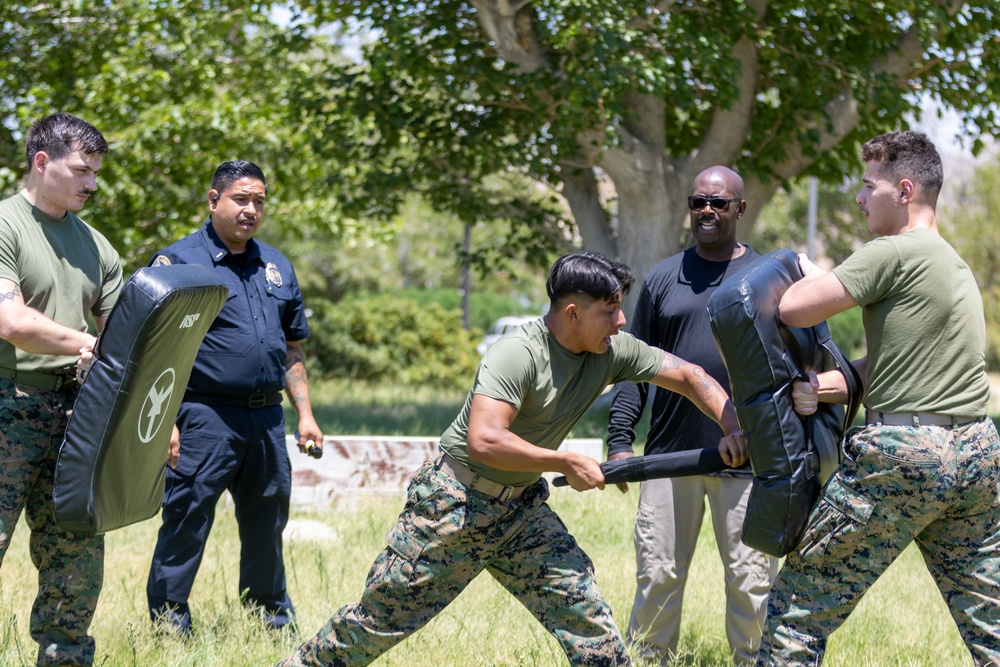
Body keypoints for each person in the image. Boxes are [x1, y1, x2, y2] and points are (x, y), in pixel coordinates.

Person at [277, 250, 749, 667]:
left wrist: (732, 426)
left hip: (520, 510)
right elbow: (484, 439)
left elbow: (688, 375)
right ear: (572, 312)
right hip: (454, 505)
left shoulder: (610, 349)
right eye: (609, 312)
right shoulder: (516, 354)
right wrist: (563, 461)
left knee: (588, 620)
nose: (622, 321)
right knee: (379, 621)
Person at [757, 131, 1000, 666]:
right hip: (977, 456)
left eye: (870, 186)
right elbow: (897, 362)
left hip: (902, 457)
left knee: (799, 608)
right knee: (991, 618)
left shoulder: (890, 252)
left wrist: (803, 269)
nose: (861, 198)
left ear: (905, 190)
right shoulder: (952, 264)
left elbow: (794, 309)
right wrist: (825, 386)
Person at [607, 166, 778, 665]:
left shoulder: (768, 278)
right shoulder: (664, 277)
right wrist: (620, 440)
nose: (707, 210)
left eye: (719, 203)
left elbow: (790, 367)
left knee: (750, 581)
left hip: (748, 460)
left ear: (739, 210)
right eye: (698, 201)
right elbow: (633, 363)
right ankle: (649, 660)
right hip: (671, 456)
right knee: (658, 575)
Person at [145, 160, 323, 635]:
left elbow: (292, 348)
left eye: (259, 201)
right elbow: (153, 352)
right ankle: (168, 626)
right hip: (204, 416)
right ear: (213, 200)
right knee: (186, 520)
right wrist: (167, 423)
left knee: (267, 524)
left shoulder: (276, 265)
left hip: (267, 419)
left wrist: (305, 414)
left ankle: (269, 621)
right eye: (241, 199)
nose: (251, 210)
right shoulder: (178, 263)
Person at [0, 113, 123, 666]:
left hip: (77, 416)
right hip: (7, 403)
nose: (91, 183)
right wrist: (85, 343)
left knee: (75, 559)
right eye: (81, 170)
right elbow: (10, 321)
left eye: (96, 172)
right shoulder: (5, 225)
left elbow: (125, 345)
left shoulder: (99, 248)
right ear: (42, 162)